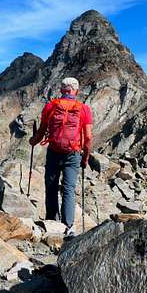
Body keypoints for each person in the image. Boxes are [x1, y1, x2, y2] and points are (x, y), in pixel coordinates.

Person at [29, 77, 93, 237]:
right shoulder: (84, 109)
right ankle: (68, 226)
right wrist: (85, 158)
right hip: (73, 154)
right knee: (68, 189)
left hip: (54, 151)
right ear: (76, 91)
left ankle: (52, 222)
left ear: (61, 90)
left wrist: (32, 141)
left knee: (51, 186)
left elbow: (41, 132)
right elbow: (88, 138)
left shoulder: (51, 106)